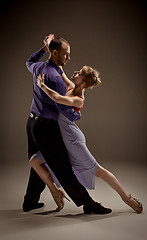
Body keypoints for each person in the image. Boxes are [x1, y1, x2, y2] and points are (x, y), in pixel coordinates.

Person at [29, 39, 143, 214]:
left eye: (79, 73)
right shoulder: (71, 86)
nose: (75, 72)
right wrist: (50, 48)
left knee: (100, 171)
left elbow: (58, 99)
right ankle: (55, 191)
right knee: (35, 161)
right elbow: (60, 69)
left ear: (82, 83)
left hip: (73, 141)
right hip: (61, 137)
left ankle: (128, 199)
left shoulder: (78, 98)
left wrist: (42, 85)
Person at [23, 34, 112, 215]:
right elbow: (61, 106)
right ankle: (88, 204)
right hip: (46, 128)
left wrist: (43, 49)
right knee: (62, 166)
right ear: (55, 53)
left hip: (31, 123)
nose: (69, 58)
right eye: (66, 54)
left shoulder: (40, 67)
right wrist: (76, 113)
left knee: (41, 161)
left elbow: (29, 62)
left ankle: (30, 201)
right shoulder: (55, 78)